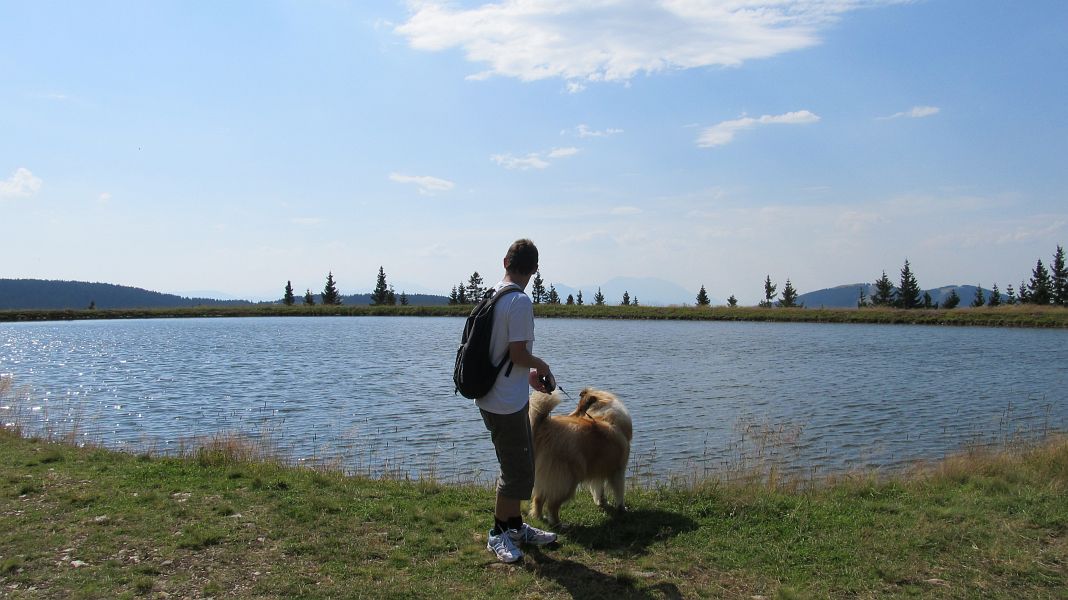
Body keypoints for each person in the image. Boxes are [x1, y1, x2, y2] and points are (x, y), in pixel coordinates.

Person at [477, 238, 558, 563]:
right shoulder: (520, 302)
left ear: (505, 262)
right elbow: (518, 353)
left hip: (493, 395)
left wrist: (526, 377)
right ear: (535, 269)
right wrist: (542, 366)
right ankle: (498, 534)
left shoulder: (493, 294)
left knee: (519, 466)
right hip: (506, 403)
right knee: (516, 472)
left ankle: (515, 527)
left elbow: (498, 353)